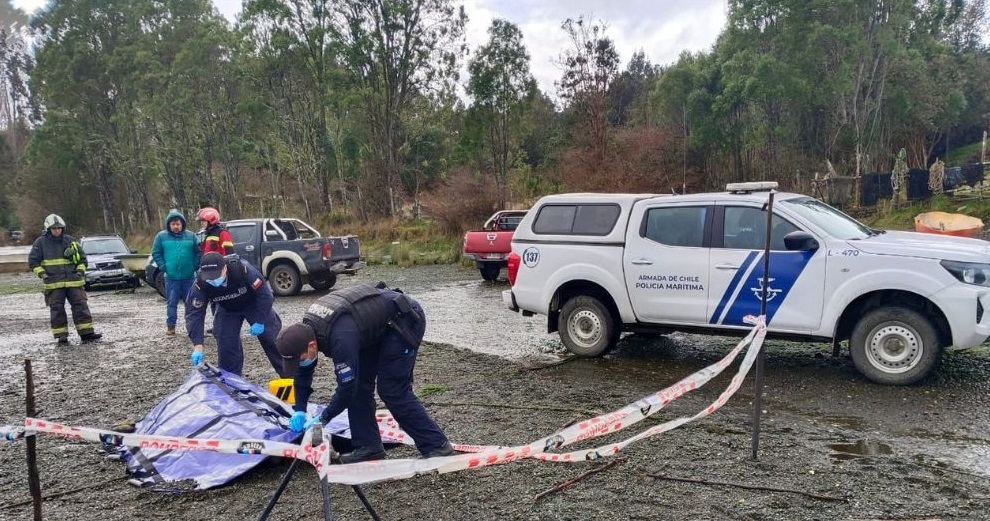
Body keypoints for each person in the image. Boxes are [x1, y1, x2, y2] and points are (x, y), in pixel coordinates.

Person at [276, 283, 454, 463]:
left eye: (300, 359)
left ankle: (437, 445)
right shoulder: (306, 332)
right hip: (372, 328)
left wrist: (324, 417)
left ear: (312, 346)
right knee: (360, 385)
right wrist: (299, 409)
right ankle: (368, 447)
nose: (300, 363)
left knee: (392, 390)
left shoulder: (340, 338)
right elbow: (303, 374)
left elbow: (346, 387)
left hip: (403, 321)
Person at [185, 251, 285, 376]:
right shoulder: (200, 284)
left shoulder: (243, 269)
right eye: (209, 277)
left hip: (253, 303)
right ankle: (231, 380)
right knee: (225, 341)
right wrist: (197, 346)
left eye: (216, 275)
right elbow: (194, 314)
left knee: (271, 337)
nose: (213, 280)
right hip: (227, 308)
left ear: (225, 268)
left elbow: (265, 295)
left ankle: (290, 376)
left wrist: (260, 320)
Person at [28, 214, 102, 344]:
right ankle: (61, 336)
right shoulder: (40, 243)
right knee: (57, 309)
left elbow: (83, 260)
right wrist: (43, 274)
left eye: (59, 228)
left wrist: (80, 271)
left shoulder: (70, 241)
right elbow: (33, 262)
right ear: (48, 229)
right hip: (53, 284)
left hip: (74, 281)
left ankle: (87, 333)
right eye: (54, 228)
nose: (57, 230)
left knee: (81, 306)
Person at [151, 209, 201, 336]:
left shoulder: (191, 236)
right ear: (169, 225)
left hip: (189, 277)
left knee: (190, 304)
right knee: (171, 303)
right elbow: (156, 253)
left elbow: (199, 252)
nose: (176, 226)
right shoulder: (161, 237)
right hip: (171, 278)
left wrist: (195, 266)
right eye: (173, 224)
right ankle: (171, 327)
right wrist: (163, 266)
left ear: (182, 224)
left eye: (178, 224)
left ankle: (192, 327)